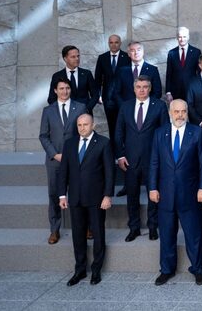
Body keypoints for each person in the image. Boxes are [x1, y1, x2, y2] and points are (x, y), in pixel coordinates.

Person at [148, 99, 202, 286]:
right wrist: (152, 187)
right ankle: (167, 270)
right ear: (170, 113)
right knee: (166, 234)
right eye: (176, 112)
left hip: (190, 194)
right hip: (165, 194)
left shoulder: (197, 133)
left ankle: (197, 268)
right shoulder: (160, 133)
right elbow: (154, 163)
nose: (180, 115)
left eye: (183, 111)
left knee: (193, 234)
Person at [58, 114, 114, 286]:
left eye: (85, 124)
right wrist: (62, 195)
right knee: (78, 235)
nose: (82, 128)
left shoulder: (103, 143)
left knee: (98, 234)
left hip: (96, 198)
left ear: (93, 125)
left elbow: (109, 172)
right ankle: (80, 270)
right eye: (79, 125)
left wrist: (107, 195)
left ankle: (96, 270)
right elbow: (63, 172)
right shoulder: (69, 144)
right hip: (75, 198)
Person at [114, 75, 169, 242]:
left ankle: (153, 227)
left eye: (145, 86)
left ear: (150, 88)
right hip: (130, 160)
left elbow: (165, 133)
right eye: (139, 87)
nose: (142, 90)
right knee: (132, 195)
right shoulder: (126, 106)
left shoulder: (159, 106)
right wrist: (120, 155)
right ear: (134, 88)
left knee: (154, 195)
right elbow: (118, 133)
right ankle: (134, 228)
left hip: (153, 160)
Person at [39, 78, 86, 245]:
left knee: (79, 193)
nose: (65, 91)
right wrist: (54, 154)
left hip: (76, 160)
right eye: (61, 88)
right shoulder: (48, 111)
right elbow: (43, 136)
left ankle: (84, 226)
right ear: (55, 91)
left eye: (67, 88)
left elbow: (85, 132)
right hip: (55, 161)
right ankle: (54, 229)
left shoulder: (80, 107)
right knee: (54, 195)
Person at [94, 34, 130, 153]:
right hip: (108, 98)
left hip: (123, 97)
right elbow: (98, 78)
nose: (113, 45)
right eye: (111, 42)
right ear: (108, 44)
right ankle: (115, 152)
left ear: (120, 43)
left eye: (116, 42)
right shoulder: (102, 58)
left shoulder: (127, 57)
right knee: (112, 124)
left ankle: (125, 150)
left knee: (125, 124)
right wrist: (98, 94)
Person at [47, 45, 99, 113]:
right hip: (66, 115)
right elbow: (51, 98)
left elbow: (95, 95)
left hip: (84, 114)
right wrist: (61, 110)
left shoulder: (87, 73)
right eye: (73, 57)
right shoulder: (57, 76)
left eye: (78, 56)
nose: (77, 59)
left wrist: (87, 109)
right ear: (65, 59)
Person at [165, 26, 201, 102]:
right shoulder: (171, 53)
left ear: (188, 37)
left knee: (191, 112)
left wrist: (198, 89)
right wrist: (168, 92)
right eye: (180, 37)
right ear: (177, 38)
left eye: (184, 37)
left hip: (191, 89)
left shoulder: (196, 52)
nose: (182, 39)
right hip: (175, 91)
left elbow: (199, 73)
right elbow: (169, 74)